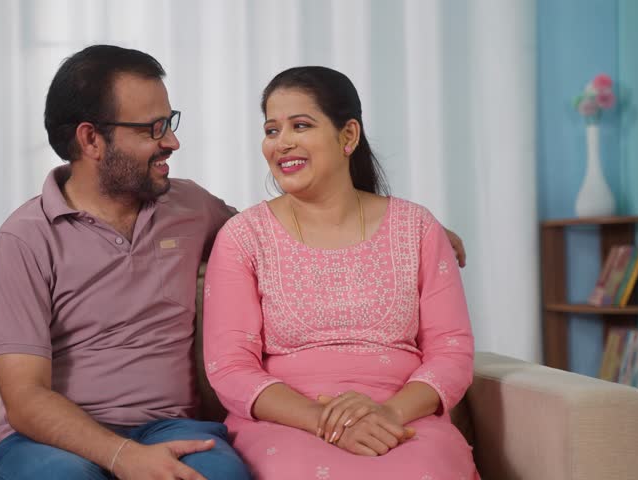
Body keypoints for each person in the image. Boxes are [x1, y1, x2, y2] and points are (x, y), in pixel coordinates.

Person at [0, 45, 467, 479]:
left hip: (172, 427)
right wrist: (121, 457)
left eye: (170, 122)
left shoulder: (190, 208)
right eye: (154, 129)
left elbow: (291, 232)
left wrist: (417, 232)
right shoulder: (25, 238)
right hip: (54, 442)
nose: (172, 142)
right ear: (91, 140)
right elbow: (25, 398)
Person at [202, 66, 479, 479]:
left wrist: (387, 413)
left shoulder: (417, 228)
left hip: (402, 418)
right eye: (272, 130)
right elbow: (230, 368)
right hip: (287, 423)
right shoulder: (245, 237)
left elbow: (452, 351)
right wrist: (326, 422)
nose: (282, 142)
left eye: (300, 125)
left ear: (348, 135)